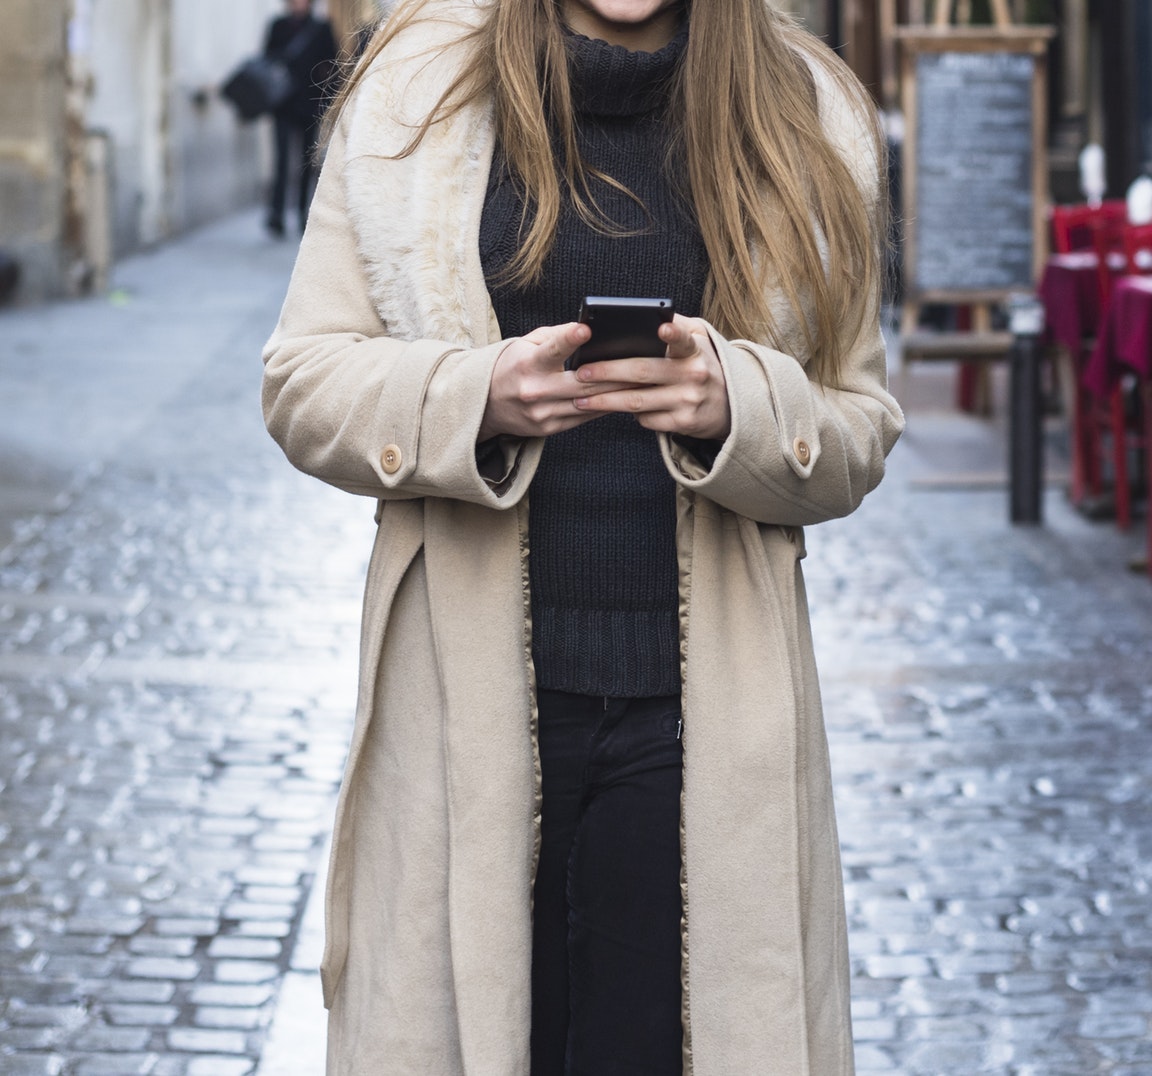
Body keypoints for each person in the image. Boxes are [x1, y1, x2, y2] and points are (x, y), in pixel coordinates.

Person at [259, 0, 900, 1068]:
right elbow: (302, 378)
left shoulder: (809, 109)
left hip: (709, 717)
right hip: (468, 710)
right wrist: (476, 397)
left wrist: (737, 406)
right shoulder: (416, 86)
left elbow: (859, 426)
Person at [261, 0, 338, 237]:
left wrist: (327, 100)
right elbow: (266, 59)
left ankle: (304, 213)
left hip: (309, 105)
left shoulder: (321, 28)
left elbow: (333, 63)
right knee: (281, 161)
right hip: (282, 104)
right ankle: (277, 214)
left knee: (307, 162)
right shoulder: (277, 26)